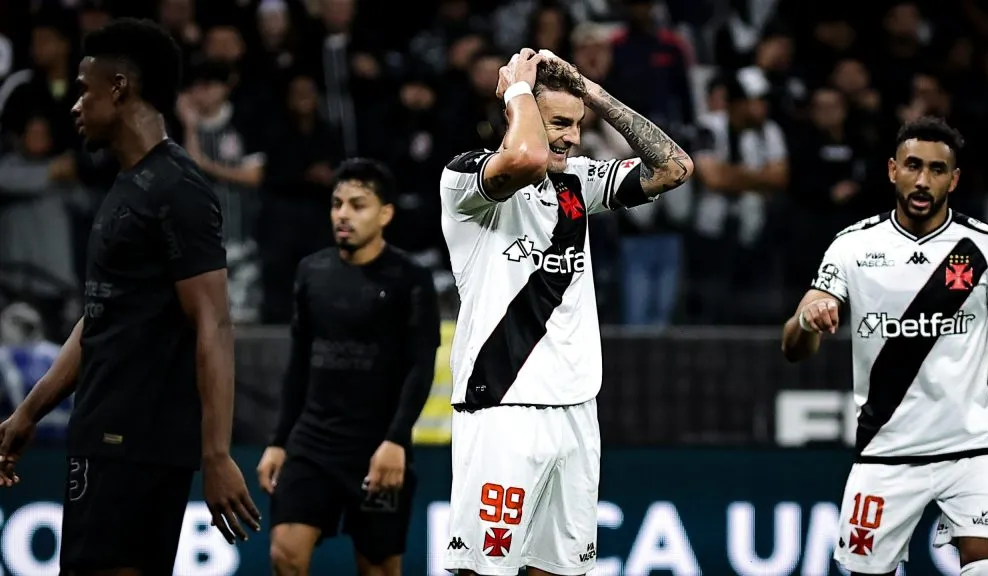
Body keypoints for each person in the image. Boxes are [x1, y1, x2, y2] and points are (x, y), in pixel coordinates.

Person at [0, 18, 260, 574]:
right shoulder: (127, 185)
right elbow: (100, 317)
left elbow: (213, 324)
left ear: (118, 88)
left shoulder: (177, 189)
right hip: (105, 437)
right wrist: (29, 411)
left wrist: (216, 454)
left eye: (83, 89)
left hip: (135, 444)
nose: (74, 105)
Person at [439, 48, 694, 575]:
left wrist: (591, 92)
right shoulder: (467, 184)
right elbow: (525, 157)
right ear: (519, 114)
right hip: (504, 408)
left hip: (577, 410)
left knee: (560, 571)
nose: (572, 138)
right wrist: (515, 92)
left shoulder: (576, 184)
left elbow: (674, 167)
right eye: (558, 122)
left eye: (577, 126)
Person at [781, 117, 988, 576]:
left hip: (971, 446)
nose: (923, 179)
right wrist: (808, 320)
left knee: (986, 565)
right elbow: (794, 345)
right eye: (914, 166)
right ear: (893, 170)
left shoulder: (986, 249)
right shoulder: (852, 247)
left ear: (953, 180)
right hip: (885, 452)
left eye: (936, 170)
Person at [257, 158, 440, 576]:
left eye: (358, 205)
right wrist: (278, 440)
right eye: (337, 203)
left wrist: (396, 441)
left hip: (376, 448)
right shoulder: (311, 272)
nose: (343, 214)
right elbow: (299, 364)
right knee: (285, 553)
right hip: (313, 444)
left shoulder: (409, 279)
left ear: (386, 213)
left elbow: (420, 366)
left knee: (377, 568)